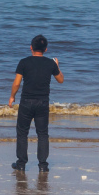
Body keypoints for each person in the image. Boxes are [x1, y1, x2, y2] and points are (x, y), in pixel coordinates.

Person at [8, 34, 64, 172]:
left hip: (26, 101)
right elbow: (61, 80)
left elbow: (16, 83)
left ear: (31, 47)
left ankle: (21, 164)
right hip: (43, 102)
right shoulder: (50, 64)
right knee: (43, 134)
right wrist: (57, 66)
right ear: (46, 49)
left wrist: (12, 97)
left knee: (22, 133)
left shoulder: (24, 62)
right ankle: (43, 166)